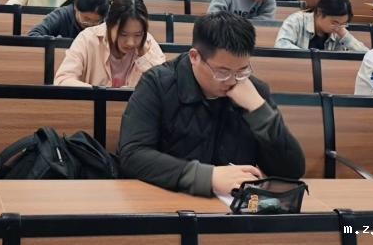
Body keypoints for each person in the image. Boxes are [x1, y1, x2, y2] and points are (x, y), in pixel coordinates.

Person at [118, 11, 305, 197]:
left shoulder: (253, 91)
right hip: (167, 200)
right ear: (194, 57)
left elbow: (290, 172)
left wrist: (260, 110)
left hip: (232, 207)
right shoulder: (157, 84)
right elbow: (133, 155)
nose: (232, 80)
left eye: (242, 70)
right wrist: (208, 177)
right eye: (222, 72)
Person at [54, 0, 165, 88]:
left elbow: (164, 86)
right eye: (123, 34)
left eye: (138, 35)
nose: (131, 42)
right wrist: (100, 94)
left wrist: (144, 57)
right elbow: (63, 80)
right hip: (94, 106)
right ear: (109, 25)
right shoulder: (88, 39)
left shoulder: (148, 43)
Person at [276, 0, 367, 52]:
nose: (337, 27)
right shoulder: (296, 20)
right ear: (319, 13)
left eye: (342, 24)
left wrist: (346, 36)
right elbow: (281, 45)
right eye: (334, 22)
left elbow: (366, 56)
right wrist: (311, 56)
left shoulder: (339, 31)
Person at [28, 0, 110, 38]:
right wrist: (56, 42)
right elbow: (33, 35)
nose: (90, 24)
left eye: (96, 21)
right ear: (76, 8)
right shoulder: (61, 15)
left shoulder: (109, 20)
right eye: (86, 18)